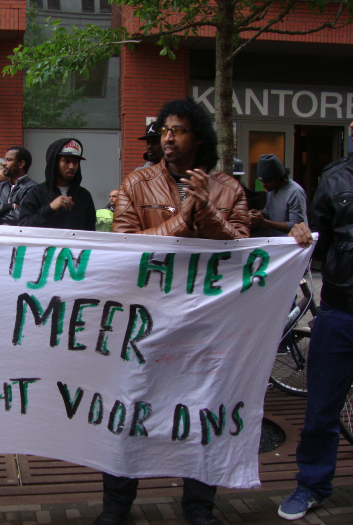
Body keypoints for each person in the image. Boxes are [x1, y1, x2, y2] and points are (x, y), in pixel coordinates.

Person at [110, 98, 250, 525]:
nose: (168, 137)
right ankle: (115, 506)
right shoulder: (136, 184)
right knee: (130, 409)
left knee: (202, 407)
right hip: (146, 320)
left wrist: (205, 209)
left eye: (179, 130)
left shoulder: (227, 189)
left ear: (200, 137)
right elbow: (125, 248)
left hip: (205, 321)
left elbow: (241, 250)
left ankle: (198, 508)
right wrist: (181, 221)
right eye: (164, 130)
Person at [279, 89, 353, 521]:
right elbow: (314, 236)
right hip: (336, 313)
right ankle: (311, 485)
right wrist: (298, 230)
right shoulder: (335, 176)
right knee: (321, 409)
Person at [18, 138, 95, 231]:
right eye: (66, 161)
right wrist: (50, 208)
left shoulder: (84, 196)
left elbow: (91, 232)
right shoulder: (36, 193)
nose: (72, 166)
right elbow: (23, 228)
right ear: (54, 163)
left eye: (75, 162)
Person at [249, 154, 307, 236]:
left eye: (266, 181)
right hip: (278, 242)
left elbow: (296, 226)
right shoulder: (271, 189)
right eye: (261, 181)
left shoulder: (295, 192)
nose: (263, 184)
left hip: (292, 243)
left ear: (277, 178)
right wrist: (258, 214)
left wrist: (264, 222)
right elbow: (268, 211)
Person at [0, 147, 36, 225]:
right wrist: (8, 206)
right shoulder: (0, 187)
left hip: (19, 235)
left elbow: (20, 216)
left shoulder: (32, 188)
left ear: (21, 164)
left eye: (9, 160)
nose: (4, 163)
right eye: (5, 159)